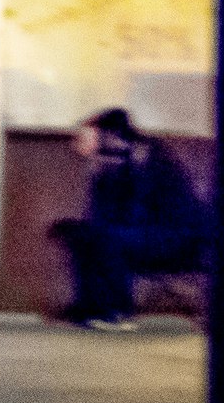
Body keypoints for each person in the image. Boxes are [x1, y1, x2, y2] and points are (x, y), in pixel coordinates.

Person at [49, 108, 203, 326]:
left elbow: (139, 213)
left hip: (175, 237)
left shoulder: (150, 159)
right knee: (82, 237)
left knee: (111, 239)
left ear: (113, 136)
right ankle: (87, 307)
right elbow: (101, 216)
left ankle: (116, 309)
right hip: (136, 233)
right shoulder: (110, 165)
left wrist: (118, 175)